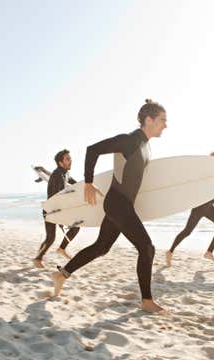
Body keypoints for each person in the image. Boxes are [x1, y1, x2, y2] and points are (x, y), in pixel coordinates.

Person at [51, 99, 167, 313]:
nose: (165, 125)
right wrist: (88, 182)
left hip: (123, 205)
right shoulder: (130, 140)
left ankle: (61, 274)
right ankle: (147, 301)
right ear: (149, 120)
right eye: (162, 120)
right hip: (118, 204)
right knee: (147, 248)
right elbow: (92, 149)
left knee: (102, 247)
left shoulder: (146, 147)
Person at [166, 151, 214, 266]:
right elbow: (205, 193)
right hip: (200, 206)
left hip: (208, 207)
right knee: (187, 231)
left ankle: (209, 252)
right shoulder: (206, 174)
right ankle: (170, 251)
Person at [33, 149, 81, 268]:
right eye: (67, 159)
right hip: (51, 210)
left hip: (55, 209)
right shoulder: (58, 175)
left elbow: (76, 183)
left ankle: (39, 257)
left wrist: (86, 185)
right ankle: (39, 258)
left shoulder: (64, 173)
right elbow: (54, 197)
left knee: (50, 237)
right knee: (52, 237)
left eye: (70, 158)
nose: (71, 161)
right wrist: (59, 217)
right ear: (61, 163)